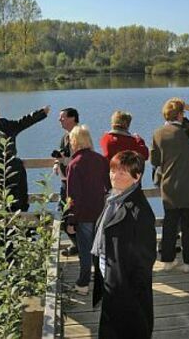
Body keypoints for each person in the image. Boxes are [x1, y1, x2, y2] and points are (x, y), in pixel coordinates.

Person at [92, 151, 156, 338]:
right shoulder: (112, 199)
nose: (114, 176)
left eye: (122, 173)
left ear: (137, 177)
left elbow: (146, 260)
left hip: (127, 291)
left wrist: (128, 292)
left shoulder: (140, 211)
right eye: (113, 171)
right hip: (111, 282)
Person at [150, 98, 189, 273]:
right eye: (183, 112)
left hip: (169, 186)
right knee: (188, 225)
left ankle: (168, 261)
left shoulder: (157, 133)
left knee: (169, 225)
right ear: (180, 114)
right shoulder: (187, 130)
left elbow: (155, 161)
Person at [65, 125, 111, 295]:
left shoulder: (74, 164)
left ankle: (83, 284)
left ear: (74, 142)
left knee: (85, 251)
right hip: (100, 211)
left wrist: (71, 220)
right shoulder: (100, 159)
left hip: (83, 214)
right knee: (100, 249)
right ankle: (104, 281)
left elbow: (73, 196)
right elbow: (109, 185)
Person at [52, 107, 80, 255]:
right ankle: (78, 244)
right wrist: (58, 162)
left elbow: (79, 159)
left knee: (65, 216)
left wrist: (64, 159)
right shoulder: (65, 136)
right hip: (65, 182)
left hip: (74, 183)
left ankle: (80, 245)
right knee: (63, 216)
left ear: (72, 118)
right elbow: (63, 154)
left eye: (62, 117)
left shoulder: (79, 136)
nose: (59, 120)